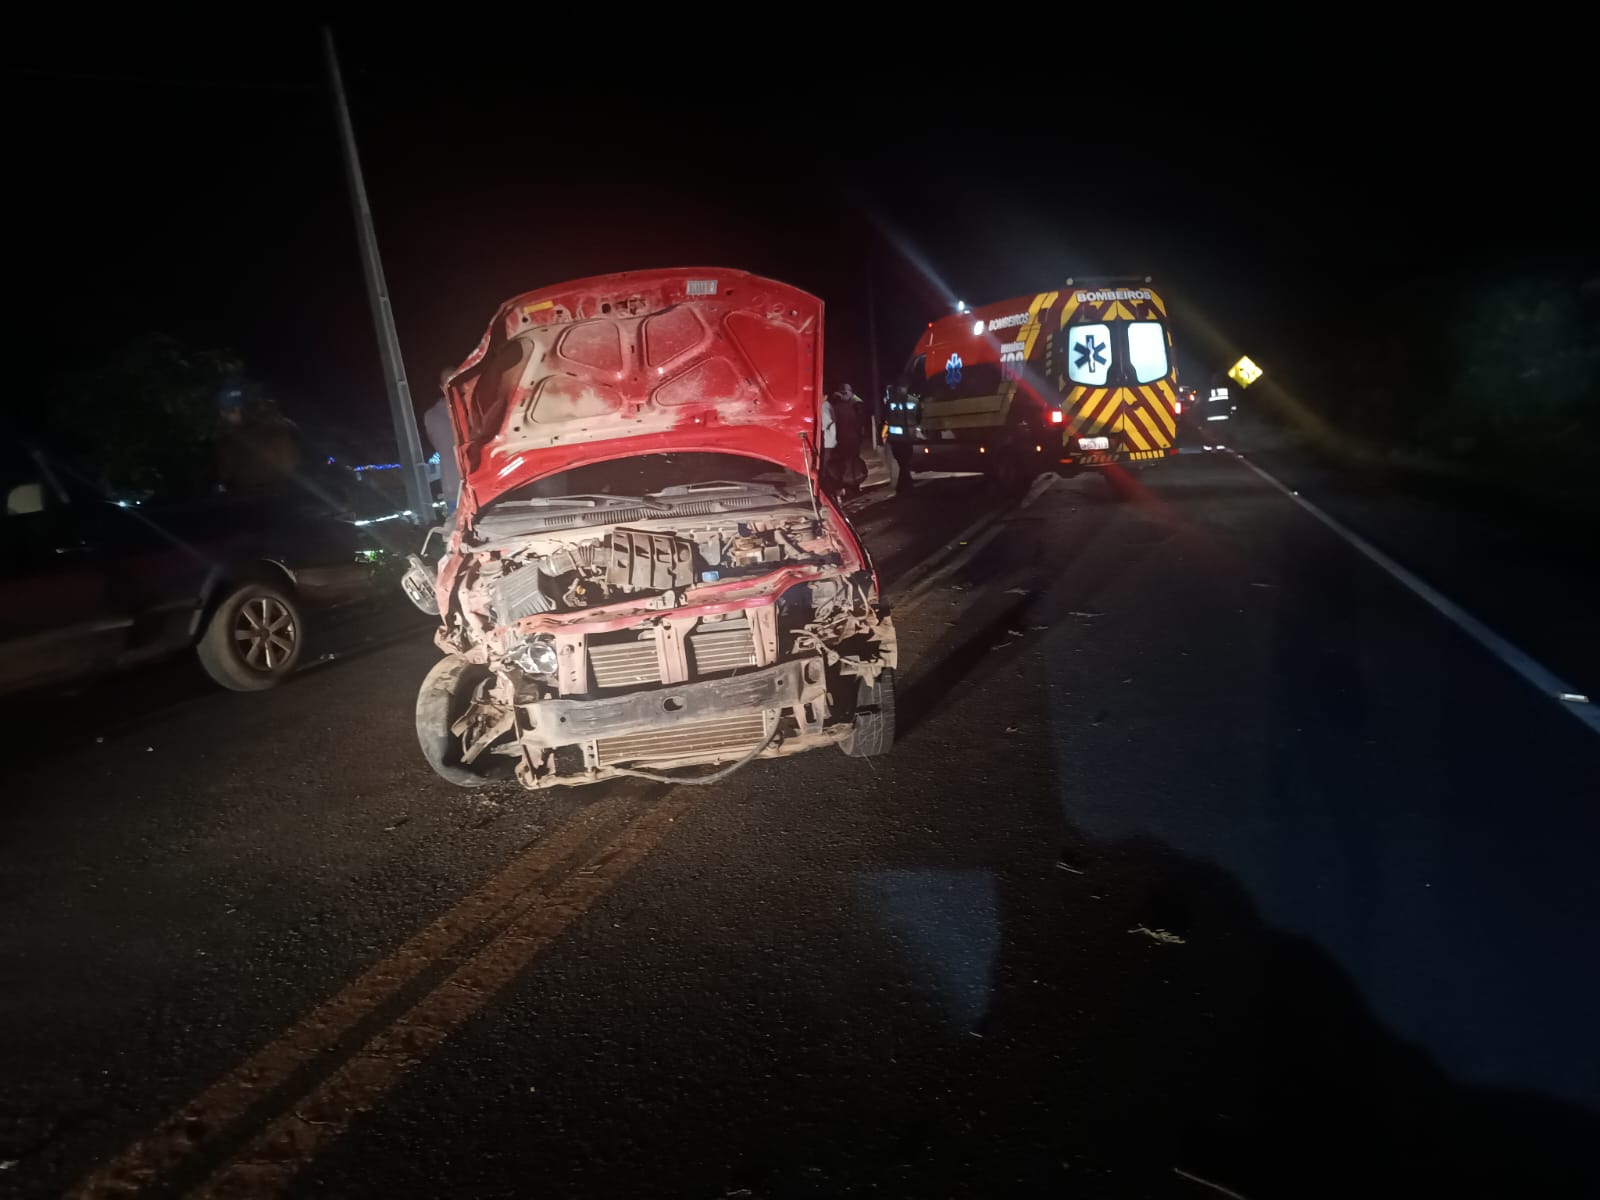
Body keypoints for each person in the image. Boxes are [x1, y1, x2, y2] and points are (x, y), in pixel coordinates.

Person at [423, 367, 460, 515]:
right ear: (441, 387)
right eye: (448, 382)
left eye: (455, 380)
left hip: (455, 486)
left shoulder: (431, 415)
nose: (452, 385)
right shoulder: (433, 416)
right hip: (456, 489)